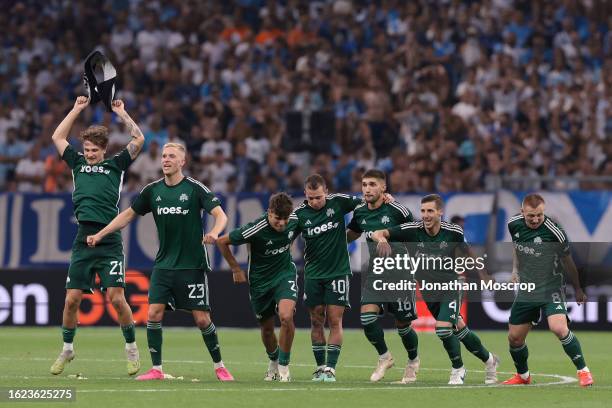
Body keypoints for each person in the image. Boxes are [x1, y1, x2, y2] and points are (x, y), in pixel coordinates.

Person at [86, 142, 234, 382]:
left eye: (171, 156)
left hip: (191, 264)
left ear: (182, 162)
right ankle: (156, 369)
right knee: (153, 313)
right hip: (164, 264)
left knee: (202, 319)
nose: (165, 159)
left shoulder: (195, 189)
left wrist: (215, 232)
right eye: (164, 156)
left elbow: (220, 214)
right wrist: (101, 234)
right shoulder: (152, 191)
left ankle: (220, 366)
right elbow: (127, 215)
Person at [50, 96, 144, 376]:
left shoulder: (115, 166)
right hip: (83, 239)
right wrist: (77, 109)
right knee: (71, 300)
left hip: (109, 240)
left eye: (93, 150)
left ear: (103, 149)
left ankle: (131, 350)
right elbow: (57, 136)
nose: (89, 154)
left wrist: (122, 113)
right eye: (87, 149)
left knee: (116, 299)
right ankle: (67, 349)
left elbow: (139, 139)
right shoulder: (77, 165)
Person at [372, 194, 499, 385]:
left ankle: (458, 368)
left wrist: (484, 276)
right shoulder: (412, 230)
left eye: (430, 211)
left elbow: (469, 252)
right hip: (429, 291)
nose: (426, 215)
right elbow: (378, 232)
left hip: (451, 286)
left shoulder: (453, 232)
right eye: (423, 211)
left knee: (443, 329)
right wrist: (381, 239)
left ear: (440, 212)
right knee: (459, 329)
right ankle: (490, 360)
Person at [502, 193, 593, 387]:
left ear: (544, 212)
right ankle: (523, 376)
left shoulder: (555, 232)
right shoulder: (513, 224)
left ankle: (584, 371)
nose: (535, 219)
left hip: (551, 287)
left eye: (539, 215)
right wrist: (515, 270)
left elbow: (568, 262)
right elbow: (517, 247)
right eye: (531, 216)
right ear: (522, 212)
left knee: (558, 327)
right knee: (515, 338)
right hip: (527, 289)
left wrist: (578, 288)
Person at [294, 174, 374, 382]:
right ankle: (320, 367)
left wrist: (386, 199)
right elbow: (284, 237)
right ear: (305, 194)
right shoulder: (299, 215)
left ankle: (331, 368)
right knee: (316, 319)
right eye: (310, 198)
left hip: (337, 272)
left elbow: (367, 201)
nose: (314, 202)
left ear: (326, 192)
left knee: (335, 320)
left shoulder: (338, 202)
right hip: (312, 274)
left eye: (318, 197)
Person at [346, 169, 419, 383]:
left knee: (403, 326)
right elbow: (354, 232)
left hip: (400, 272)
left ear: (383, 187)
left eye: (372, 184)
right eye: (364, 184)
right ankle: (385, 357)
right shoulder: (360, 212)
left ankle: (413, 361)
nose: (367, 189)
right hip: (376, 272)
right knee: (367, 318)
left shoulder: (398, 210)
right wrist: (334, 239)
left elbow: (416, 233)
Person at [217, 192, 299, 382]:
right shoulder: (255, 228)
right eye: (278, 219)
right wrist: (236, 269)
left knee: (286, 317)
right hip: (260, 283)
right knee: (267, 330)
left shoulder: (294, 220)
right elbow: (222, 242)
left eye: (285, 219)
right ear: (269, 212)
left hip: (284, 274)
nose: (282, 224)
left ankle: (284, 367)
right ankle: (273, 361)